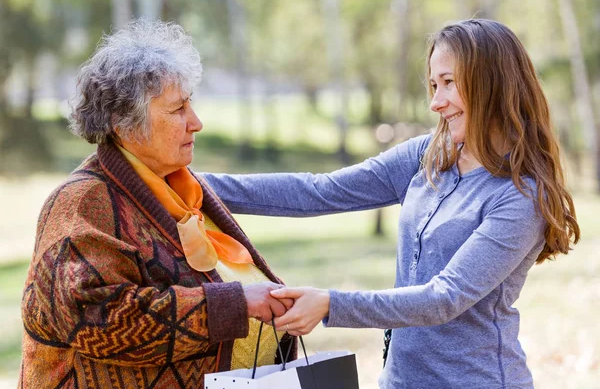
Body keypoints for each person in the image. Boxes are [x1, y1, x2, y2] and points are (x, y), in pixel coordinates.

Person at [201, 19, 581, 388]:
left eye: (449, 83)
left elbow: (444, 297)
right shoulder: (426, 157)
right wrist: (194, 185)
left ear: (492, 85)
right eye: (433, 84)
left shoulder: (520, 195)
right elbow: (318, 191)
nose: (436, 101)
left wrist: (331, 304)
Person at [19, 20, 295, 389]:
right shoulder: (81, 204)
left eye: (190, 103)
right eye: (177, 109)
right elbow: (100, 320)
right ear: (124, 124)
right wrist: (236, 303)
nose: (196, 123)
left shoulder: (183, 190)